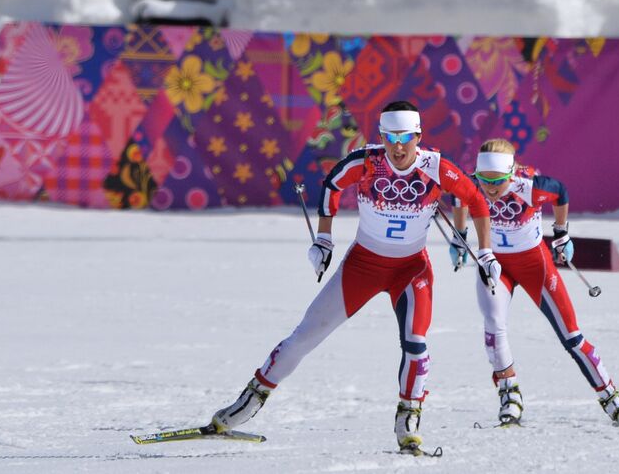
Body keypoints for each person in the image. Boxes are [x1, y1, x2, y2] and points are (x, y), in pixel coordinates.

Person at [208, 103, 496, 455]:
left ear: (419, 136)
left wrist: (485, 252)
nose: (398, 146)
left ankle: (408, 418)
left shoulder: (437, 168)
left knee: (417, 345)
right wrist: (324, 239)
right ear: (382, 136)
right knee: (305, 335)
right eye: (391, 137)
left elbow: (476, 200)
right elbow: (331, 187)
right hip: (362, 265)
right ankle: (249, 401)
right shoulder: (366, 161)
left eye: (406, 137)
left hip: (411, 269)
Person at [448, 139, 619, 428]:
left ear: (510, 174)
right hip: (494, 265)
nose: (489, 188)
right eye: (484, 180)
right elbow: (459, 198)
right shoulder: (473, 184)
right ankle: (509, 395)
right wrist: (459, 234)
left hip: (534, 266)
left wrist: (561, 234)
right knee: (493, 328)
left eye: (497, 181)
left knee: (571, 336)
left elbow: (560, 193)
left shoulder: (530, 186)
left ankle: (613, 399)